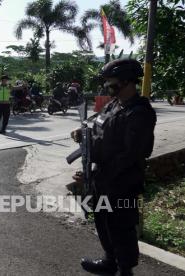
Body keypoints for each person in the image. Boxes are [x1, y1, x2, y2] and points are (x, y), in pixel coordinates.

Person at [71, 59, 156, 276]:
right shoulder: (112, 104)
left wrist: (99, 176)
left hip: (122, 182)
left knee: (121, 228)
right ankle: (110, 261)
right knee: (103, 223)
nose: (108, 86)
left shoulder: (139, 112)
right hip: (103, 178)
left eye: (112, 82)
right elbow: (100, 132)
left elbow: (131, 154)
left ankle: (125, 270)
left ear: (127, 81)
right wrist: (83, 135)